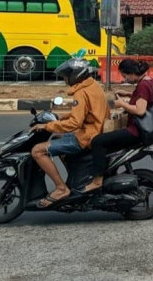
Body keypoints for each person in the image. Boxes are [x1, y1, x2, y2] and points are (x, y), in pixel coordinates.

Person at [30, 58, 110, 208]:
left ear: (75, 75)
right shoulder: (93, 85)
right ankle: (76, 178)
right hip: (94, 130)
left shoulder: (81, 92)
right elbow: (83, 113)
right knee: (57, 138)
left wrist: (47, 126)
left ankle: (61, 188)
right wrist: (60, 118)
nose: (65, 80)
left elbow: (75, 123)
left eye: (66, 76)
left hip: (86, 136)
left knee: (37, 151)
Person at [81, 59, 153, 193]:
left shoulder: (142, 86)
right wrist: (129, 94)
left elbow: (140, 110)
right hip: (145, 129)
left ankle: (97, 181)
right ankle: (109, 174)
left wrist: (122, 104)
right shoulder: (149, 81)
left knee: (98, 141)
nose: (125, 79)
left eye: (125, 76)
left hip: (136, 131)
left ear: (132, 73)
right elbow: (147, 98)